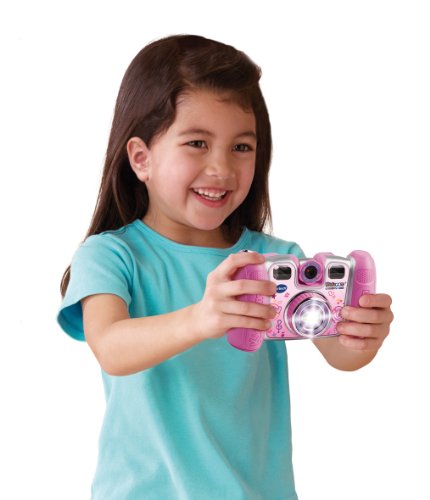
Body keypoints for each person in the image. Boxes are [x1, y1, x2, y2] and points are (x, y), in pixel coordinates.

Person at [57, 34, 394, 500]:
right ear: (141, 158)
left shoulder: (277, 260)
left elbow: (339, 352)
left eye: (242, 147)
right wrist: (202, 318)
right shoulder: (110, 255)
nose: (222, 168)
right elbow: (111, 347)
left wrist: (361, 334)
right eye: (197, 143)